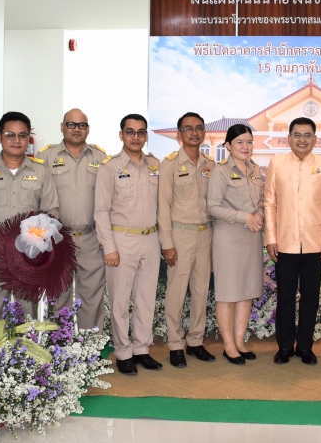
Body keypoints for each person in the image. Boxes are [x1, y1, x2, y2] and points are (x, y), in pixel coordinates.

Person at [0, 111, 59, 322]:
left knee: (28, 318)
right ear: (0, 137)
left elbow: (51, 212)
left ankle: (26, 346)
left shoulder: (41, 171)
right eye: (10, 135)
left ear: (28, 139)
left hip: (28, 256)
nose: (16, 140)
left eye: (22, 135)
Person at [264, 117, 321, 365]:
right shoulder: (277, 163)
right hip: (284, 244)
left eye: (307, 135)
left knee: (310, 298)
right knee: (284, 297)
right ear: (289, 138)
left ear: (315, 139)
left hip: (315, 245)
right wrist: (270, 238)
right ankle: (285, 346)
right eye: (297, 134)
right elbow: (270, 203)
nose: (302, 139)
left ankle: (305, 347)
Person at [94, 114, 163, 375]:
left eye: (141, 132)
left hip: (151, 239)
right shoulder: (109, 168)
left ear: (146, 135)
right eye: (130, 132)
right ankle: (123, 352)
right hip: (122, 240)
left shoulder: (155, 165)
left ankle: (142, 348)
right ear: (121, 135)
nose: (136, 137)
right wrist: (109, 247)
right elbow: (101, 211)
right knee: (120, 301)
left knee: (146, 299)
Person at [39, 108, 108, 332]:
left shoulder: (100, 157)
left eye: (82, 125)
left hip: (91, 239)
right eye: (71, 124)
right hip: (59, 240)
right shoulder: (46, 157)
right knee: (59, 296)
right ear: (62, 127)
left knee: (92, 297)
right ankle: (61, 344)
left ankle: (91, 344)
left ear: (88, 129)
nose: (76, 129)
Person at [158, 112, 217, 368]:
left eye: (199, 128)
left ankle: (195, 341)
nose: (194, 132)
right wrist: (167, 243)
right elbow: (163, 206)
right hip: (180, 235)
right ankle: (175, 344)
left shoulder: (211, 165)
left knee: (201, 290)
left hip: (206, 234)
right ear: (179, 134)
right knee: (177, 291)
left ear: (204, 132)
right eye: (188, 128)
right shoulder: (169, 164)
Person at [207, 124, 265, 365]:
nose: (245, 146)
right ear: (228, 145)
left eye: (249, 142)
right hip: (228, 239)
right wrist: (245, 217)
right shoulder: (220, 171)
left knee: (247, 291)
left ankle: (240, 341)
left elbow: (261, 201)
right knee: (228, 293)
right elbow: (212, 207)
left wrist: (259, 214)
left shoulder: (256, 170)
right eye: (240, 142)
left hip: (252, 239)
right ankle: (229, 346)